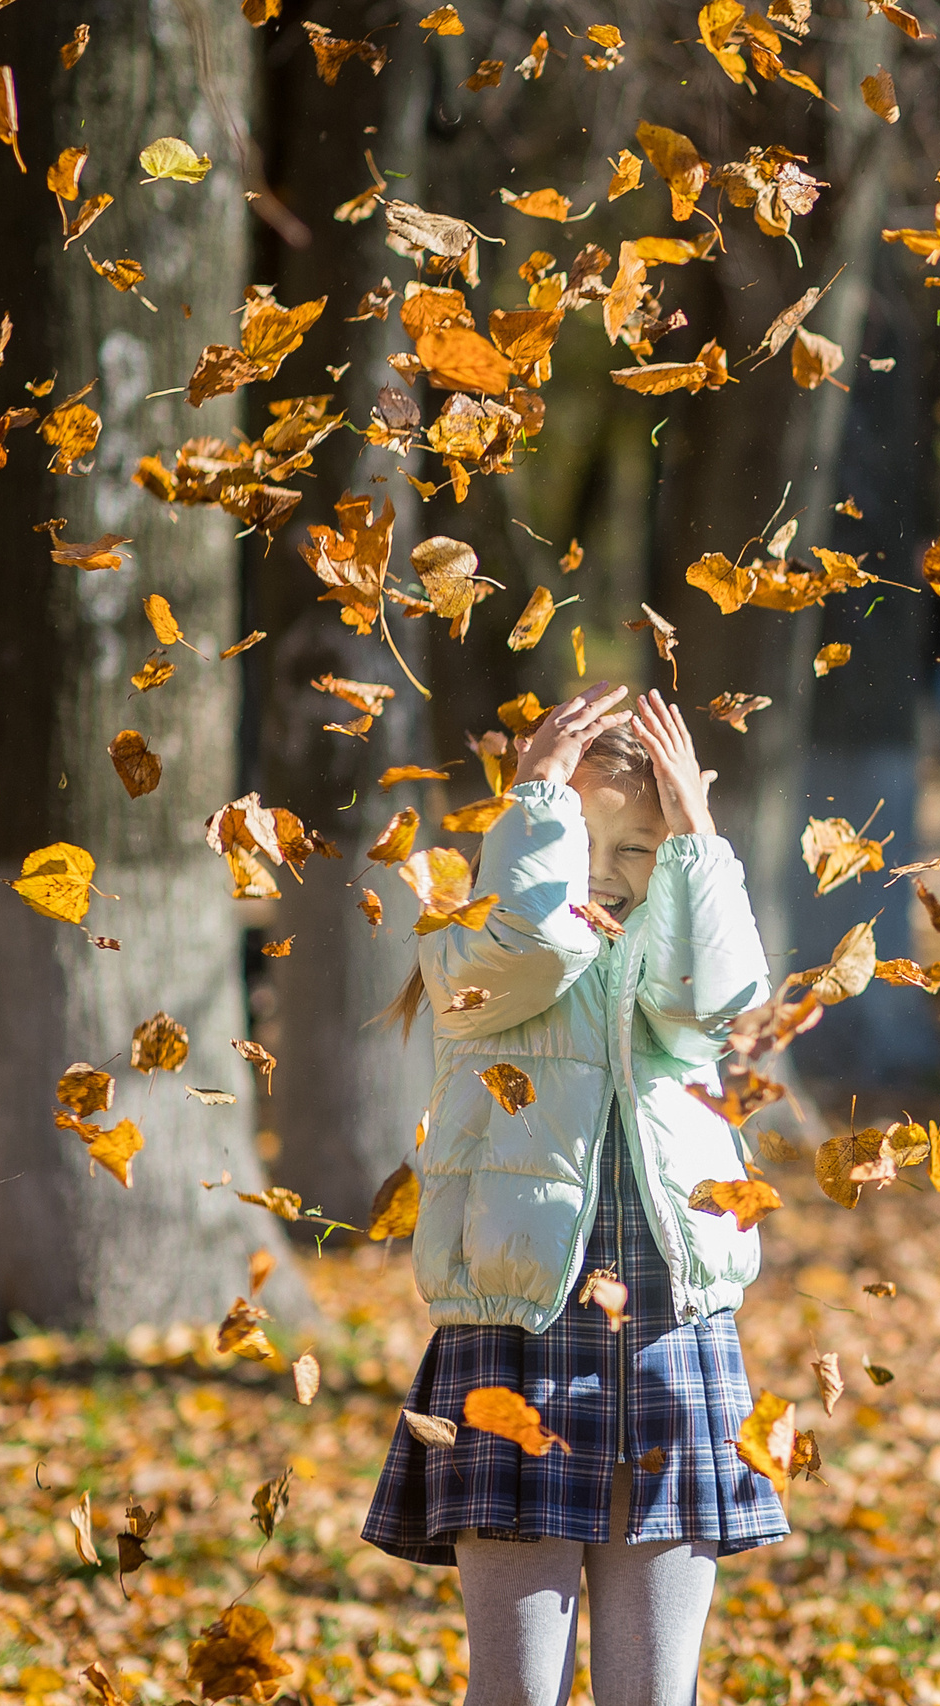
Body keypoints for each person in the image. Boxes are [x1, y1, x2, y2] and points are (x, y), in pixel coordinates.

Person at [361, 686, 786, 1706]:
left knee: (654, 1691)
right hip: (513, 1330)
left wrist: (701, 836)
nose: (603, 871)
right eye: (575, 837)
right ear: (524, 831)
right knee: (516, 1692)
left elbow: (727, 998)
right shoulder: (468, 941)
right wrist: (539, 798)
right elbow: (543, 945)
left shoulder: (669, 953)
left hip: (668, 1330)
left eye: (636, 846)